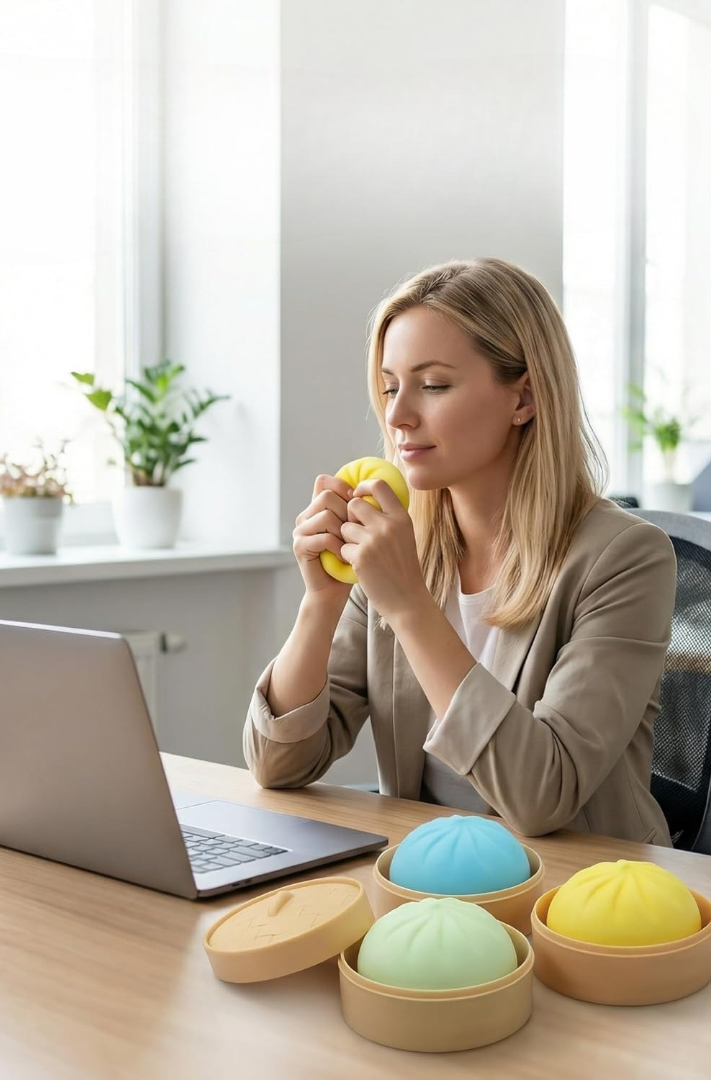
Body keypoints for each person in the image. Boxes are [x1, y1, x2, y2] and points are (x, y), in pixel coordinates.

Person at [242, 257, 677, 845]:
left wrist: (411, 609)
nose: (397, 416)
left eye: (434, 385)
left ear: (523, 398)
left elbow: (542, 796)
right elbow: (277, 765)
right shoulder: (402, 549)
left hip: (573, 895)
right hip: (433, 873)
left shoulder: (625, 559)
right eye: (391, 386)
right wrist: (321, 601)